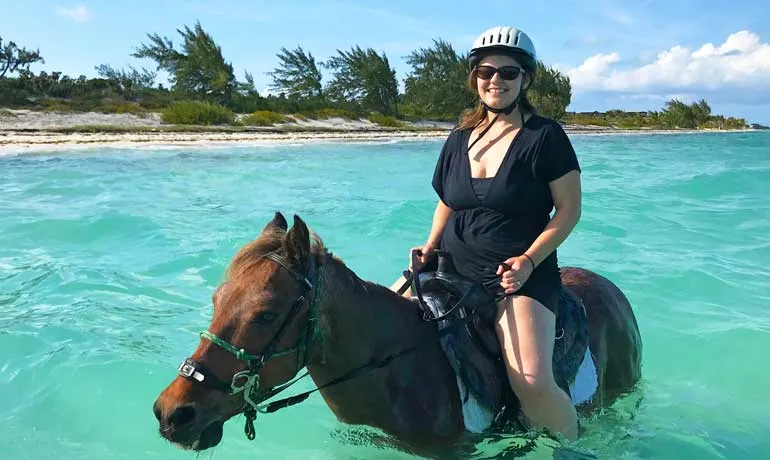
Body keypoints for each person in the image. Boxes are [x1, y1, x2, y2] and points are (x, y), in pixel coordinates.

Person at [391, 26, 582, 441]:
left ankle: (574, 447)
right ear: (474, 77)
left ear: (526, 79)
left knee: (532, 382)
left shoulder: (545, 136)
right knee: (376, 322)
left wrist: (529, 261)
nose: (495, 80)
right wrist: (430, 245)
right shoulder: (459, 138)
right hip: (452, 264)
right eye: (485, 71)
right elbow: (448, 201)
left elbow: (568, 210)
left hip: (517, 275)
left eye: (508, 72)